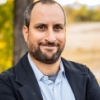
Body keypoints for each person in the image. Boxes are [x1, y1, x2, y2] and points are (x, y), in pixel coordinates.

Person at [0, 0, 100, 100]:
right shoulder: (5, 84)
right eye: (41, 27)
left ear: (64, 32)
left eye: (57, 27)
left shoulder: (84, 75)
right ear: (26, 33)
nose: (51, 38)